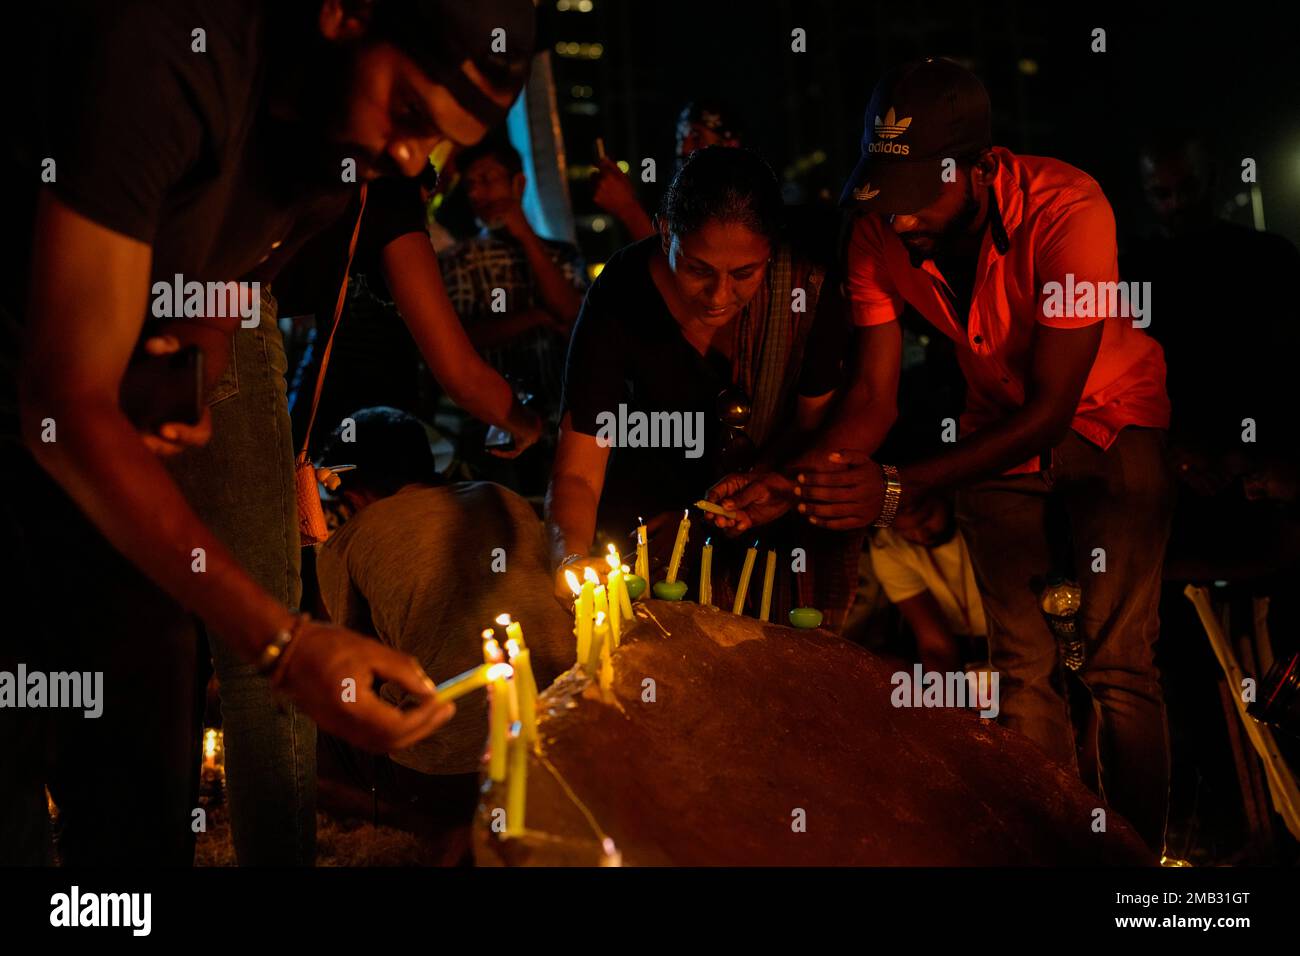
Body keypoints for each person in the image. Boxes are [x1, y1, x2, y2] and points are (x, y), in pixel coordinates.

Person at [0, 0, 536, 865]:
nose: (409, 156)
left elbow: (231, 284)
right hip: (28, 372)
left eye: (434, 143)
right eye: (407, 112)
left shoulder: (342, 165)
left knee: (146, 707)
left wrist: (189, 372)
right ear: (346, 15)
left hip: (84, 395)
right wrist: (288, 645)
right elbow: (60, 406)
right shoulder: (172, 52)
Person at [787, 58, 1174, 853]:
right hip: (993, 424)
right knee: (1020, 670)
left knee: (1116, 665)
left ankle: (1137, 871)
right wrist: (789, 481)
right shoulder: (873, 229)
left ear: (983, 168)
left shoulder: (1070, 208)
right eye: (884, 197)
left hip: (1110, 419)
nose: (897, 222)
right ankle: (1054, 855)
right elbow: (873, 400)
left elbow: (1052, 412)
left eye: (915, 198)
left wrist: (893, 489)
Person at [546, 146, 853, 626]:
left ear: (770, 251)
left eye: (745, 274)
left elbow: (815, 429)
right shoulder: (618, 296)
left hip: (779, 540)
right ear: (666, 230)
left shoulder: (805, 292)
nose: (719, 297)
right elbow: (579, 472)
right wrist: (572, 561)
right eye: (697, 269)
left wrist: (768, 479)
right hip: (650, 537)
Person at [315, 407, 573, 785]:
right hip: (562, 733)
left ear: (353, 493)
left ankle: (418, 821)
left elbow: (343, 657)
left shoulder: (350, 539)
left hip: (445, 764)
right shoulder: (503, 496)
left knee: (310, 718)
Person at [1122, 129, 1300, 579]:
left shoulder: (1269, 259)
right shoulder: (1131, 270)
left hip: (1261, 471)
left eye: (1187, 188)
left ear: (1212, 179)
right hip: (1178, 475)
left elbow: (1286, 365)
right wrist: (1174, 453)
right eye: (1162, 193)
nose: (1176, 203)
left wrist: (1255, 451)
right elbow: (1117, 379)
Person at [439, 136, 588, 472]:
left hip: (561, 424)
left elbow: (574, 315)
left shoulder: (560, 253)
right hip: (493, 428)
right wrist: (536, 316)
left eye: (488, 180)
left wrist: (526, 239)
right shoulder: (460, 259)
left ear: (518, 183)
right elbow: (464, 339)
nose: (478, 194)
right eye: (472, 185)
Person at [591, 98, 744, 242]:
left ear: (730, 145)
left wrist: (627, 208)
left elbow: (677, 266)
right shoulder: (685, 198)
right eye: (680, 137)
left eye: (697, 138)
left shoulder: (738, 206)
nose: (683, 149)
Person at [869, 497, 987, 674]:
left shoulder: (985, 519)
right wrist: (944, 696)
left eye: (926, 519)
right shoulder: (887, 543)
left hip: (1014, 638)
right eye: (904, 530)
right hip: (960, 645)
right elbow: (935, 645)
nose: (920, 536)